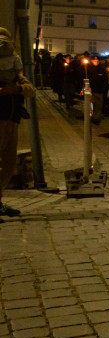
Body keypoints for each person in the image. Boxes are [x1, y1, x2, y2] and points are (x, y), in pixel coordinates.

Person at [0, 27, 30, 218]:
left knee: (10, 163)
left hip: (12, 120)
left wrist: (16, 89)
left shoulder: (15, 68)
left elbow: (30, 89)